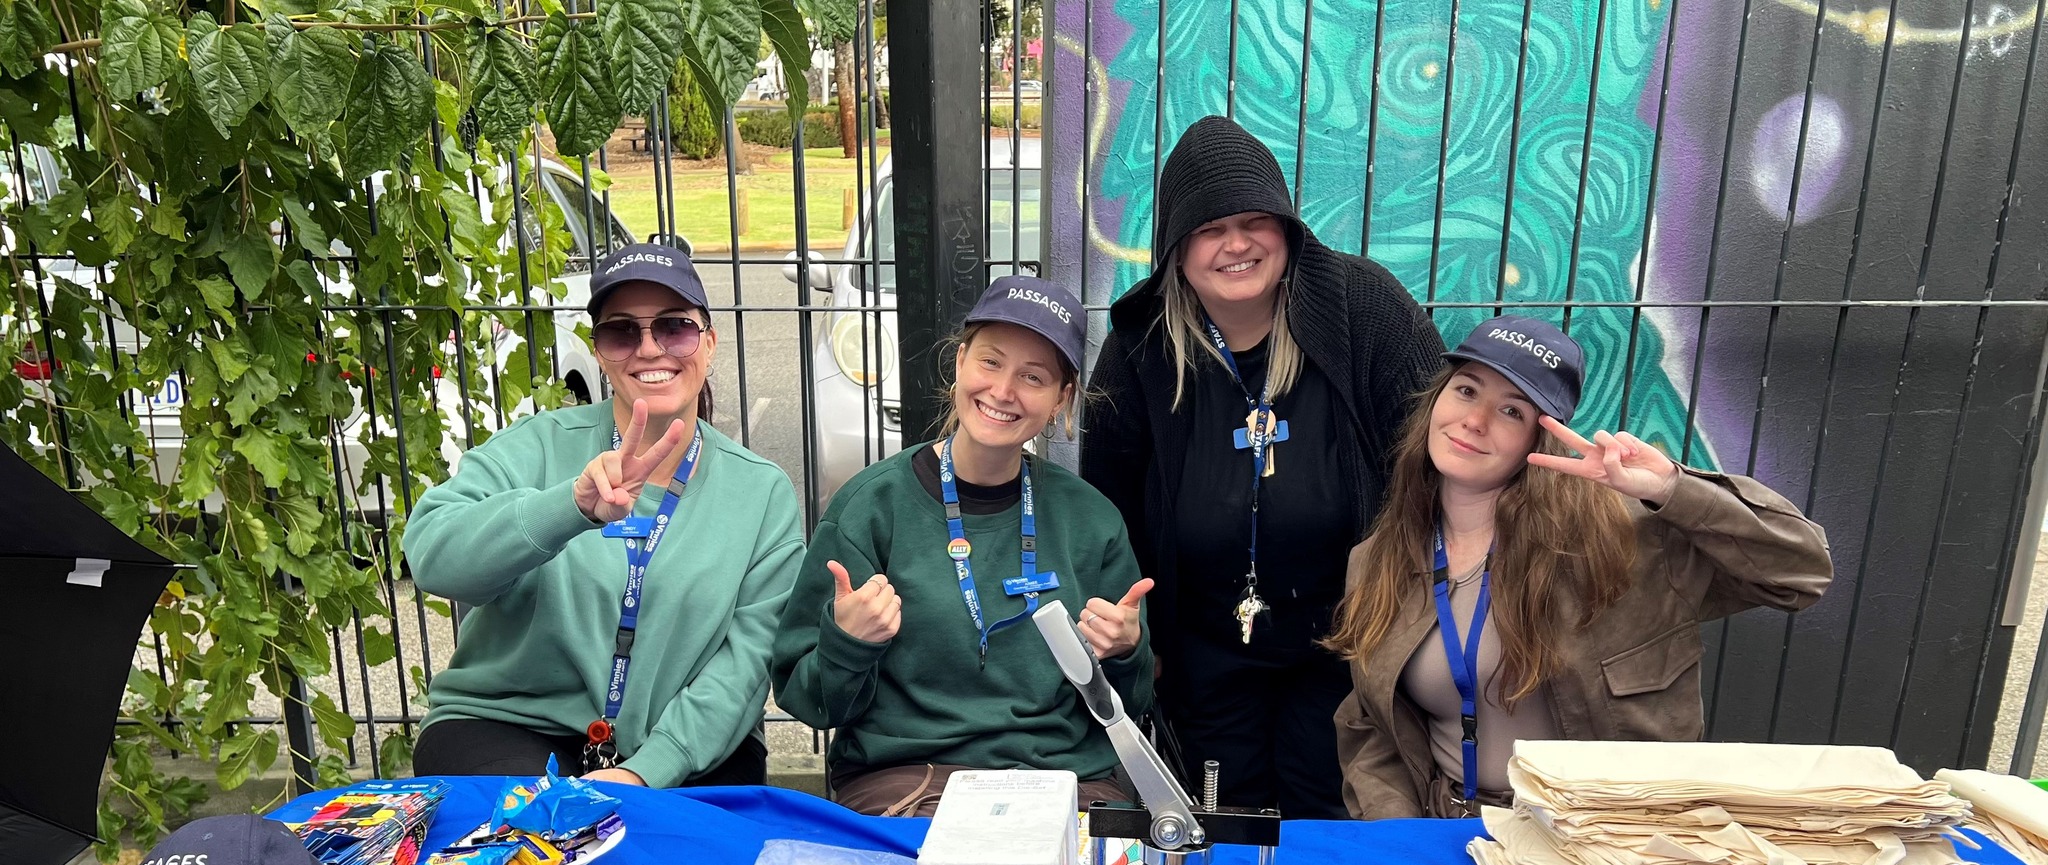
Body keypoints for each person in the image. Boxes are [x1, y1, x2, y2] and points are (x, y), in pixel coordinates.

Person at [1080, 114, 1446, 819]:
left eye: (1255, 220)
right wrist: (1141, 632)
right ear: (1177, 248)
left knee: (1325, 820)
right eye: (1211, 228)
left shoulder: (1361, 307)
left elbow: (1433, 445)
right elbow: (1109, 496)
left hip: (1343, 645)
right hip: (1206, 651)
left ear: (1287, 228)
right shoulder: (1144, 344)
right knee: (1224, 825)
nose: (1237, 243)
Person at [1326, 316, 1834, 819]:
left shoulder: (1625, 540)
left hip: (1603, 841)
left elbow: (1800, 572)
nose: (1475, 421)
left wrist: (1671, 489)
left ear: (1538, 441)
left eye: (1511, 410)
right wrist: (1397, 835)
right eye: (1465, 391)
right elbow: (1373, 726)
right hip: (1447, 836)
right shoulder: (1377, 562)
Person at [404, 244, 805, 788]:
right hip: (513, 727)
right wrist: (568, 507)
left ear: (709, 344)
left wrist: (645, 772)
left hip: (684, 744)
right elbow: (433, 556)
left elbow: (747, 663)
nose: (649, 348)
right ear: (598, 352)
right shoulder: (538, 448)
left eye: (675, 328)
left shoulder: (760, 493)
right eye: (622, 332)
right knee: (530, 850)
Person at [772, 276, 1155, 817]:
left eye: (1034, 376)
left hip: (1064, 779)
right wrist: (848, 643)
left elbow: (1131, 705)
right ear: (958, 362)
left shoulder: (1090, 519)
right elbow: (810, 701)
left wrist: (1125, 651)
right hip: (908, 779)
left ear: (1062, 399)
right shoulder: (871, 507)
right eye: (991, 362)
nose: (1003, 391)